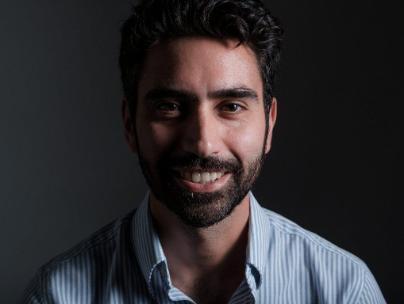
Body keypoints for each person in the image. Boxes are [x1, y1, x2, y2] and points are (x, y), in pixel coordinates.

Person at [23, 0, 386, 303]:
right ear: (130, 124)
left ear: (269, 124)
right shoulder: (58, 295)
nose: (203, 143)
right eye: (169, 106)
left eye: (231, 106)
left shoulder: (344, 289)